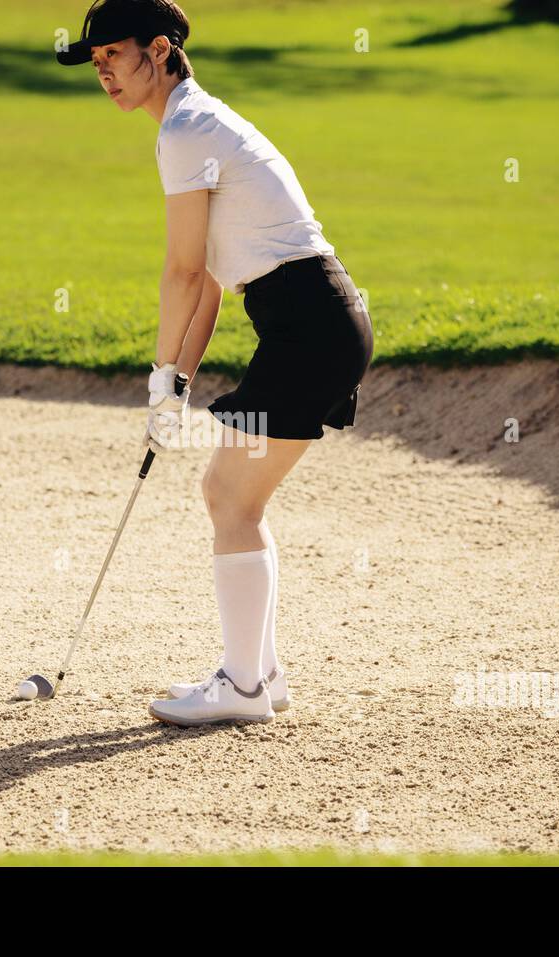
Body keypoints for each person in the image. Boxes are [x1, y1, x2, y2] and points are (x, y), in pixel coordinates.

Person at [57, 0, 373, 726]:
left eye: (115, 55)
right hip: (316, 320)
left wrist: (160, 381)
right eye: (94, 61)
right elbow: (205, 287)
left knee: (229, 495)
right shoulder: (192, 122)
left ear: (161, 50)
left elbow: (179, 271)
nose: (103, 71)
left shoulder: (186, 129)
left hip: (309, 325)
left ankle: (243, 684)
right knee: (237, 498)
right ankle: (259, 673)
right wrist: (173, 385)